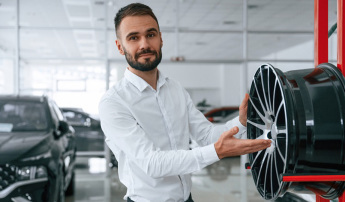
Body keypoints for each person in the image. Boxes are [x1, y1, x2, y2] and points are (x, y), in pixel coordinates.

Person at [98, 3, 271, 202]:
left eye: (151, 34)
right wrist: (217, 152)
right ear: (120, 47)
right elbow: (152, 164)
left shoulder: (175, 89)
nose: (144, 44)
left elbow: (206, 135)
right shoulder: (114, 102)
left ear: (161, 39)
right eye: (134, 37)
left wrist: (240, 122)